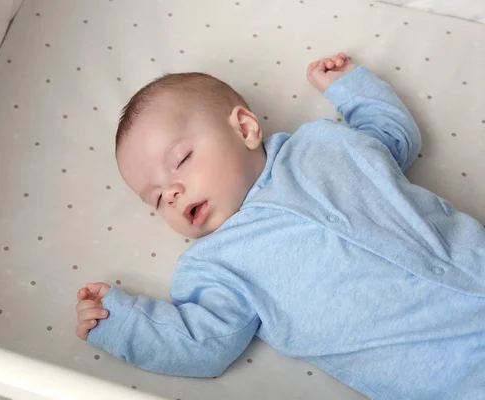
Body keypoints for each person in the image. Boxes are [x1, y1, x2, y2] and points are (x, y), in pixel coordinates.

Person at [75, 52, 485, 399]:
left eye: (181, 161)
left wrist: (352, 88)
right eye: (158, 198)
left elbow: (391, 139)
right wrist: (122, 323)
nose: (175, 192)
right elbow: (204, 344)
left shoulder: (321, 144)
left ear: (245, 128)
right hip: (450, 371)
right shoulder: (215, 264)